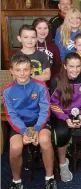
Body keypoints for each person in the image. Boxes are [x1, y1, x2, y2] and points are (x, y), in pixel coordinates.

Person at [3, 54, 57, 189]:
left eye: (26, 69)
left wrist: (37, 129)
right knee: (15, 147)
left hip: (40, 122)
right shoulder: (7, 91)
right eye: (18, 70)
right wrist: (24, 131)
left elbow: (45, 110)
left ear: (31, 69)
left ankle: (49, 178)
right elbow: (12, 115)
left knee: (45, 141)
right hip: (20, 125)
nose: (22, 73)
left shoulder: (40, 86)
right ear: (12, 71)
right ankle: (17, 181)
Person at [50, 52, 81, 182]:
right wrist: (65, 118)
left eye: (78, 66)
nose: (75, 70)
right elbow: (53, 104)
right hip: (63, 114)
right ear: (65, 66)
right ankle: (63, 163)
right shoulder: (56, 80)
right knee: (61, 132)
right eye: (71, 66)